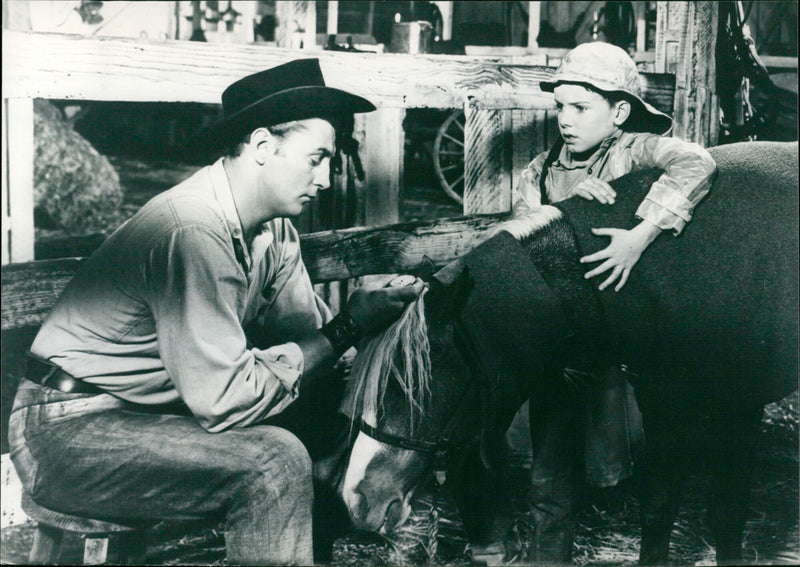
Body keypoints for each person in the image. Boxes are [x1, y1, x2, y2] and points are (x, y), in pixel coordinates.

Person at [8, 58, 424, 565]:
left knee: (331, 427)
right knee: (272, 462)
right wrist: (350, 324)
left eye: (330, 162)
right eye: (316, 158)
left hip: (146, 416)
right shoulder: (193, 231)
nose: (327, 179)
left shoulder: (273, 233)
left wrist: (384, 328)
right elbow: (227, 398)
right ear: (264, 147)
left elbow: (308, 348)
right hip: (66, 432)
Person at [491, 41, 717, 564]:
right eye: (560, 107)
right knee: (550, 471)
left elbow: (698, 162)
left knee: (653, 457)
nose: (565, 121)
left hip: (630, 334)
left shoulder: (636, 148)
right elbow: (524, 243)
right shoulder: (540, 171)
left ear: (618, 112)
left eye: (581, 107)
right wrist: (565, 209)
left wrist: (638, 234)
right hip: (563, 336)